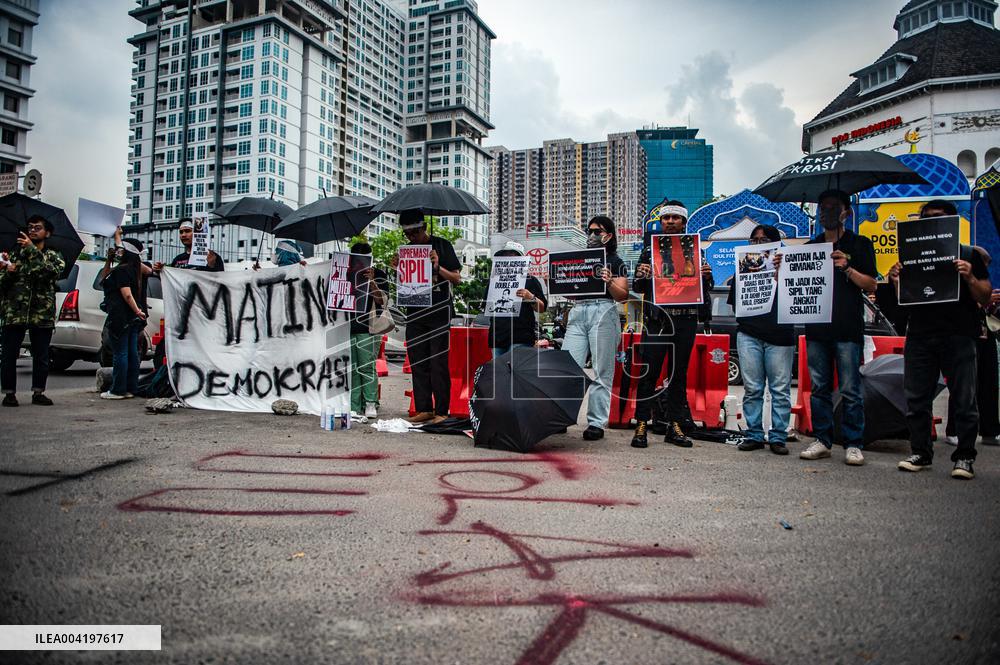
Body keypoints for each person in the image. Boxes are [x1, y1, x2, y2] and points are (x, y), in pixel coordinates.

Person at [893, 200, 992, 479]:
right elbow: (903, 301)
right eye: (927, 217)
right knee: (916, 399)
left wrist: (970, 276)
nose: (932, 220)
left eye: (939, 217)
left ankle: (964, 457)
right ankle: (921, 453)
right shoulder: (911, 254)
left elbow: (985, 296)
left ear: (952, 222)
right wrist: (898, 280)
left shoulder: (968, 254)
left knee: (964, 399)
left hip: (959, 334)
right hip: (921, 334)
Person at [783, 189, 877, 466]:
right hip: (817, 330)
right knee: (820, 387)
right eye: (822, 207)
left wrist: (847, 267)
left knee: (850, 389)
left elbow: (871, 284)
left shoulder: (860, 244)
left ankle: (853, 443)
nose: (826, 212)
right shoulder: (811, 247)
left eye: (833, 207)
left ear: (846, 212)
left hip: (848, 328)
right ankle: (822, 439)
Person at [630, 202, 713, 448]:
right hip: (657, 321)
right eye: (666, 218)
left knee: (678, 374)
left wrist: (707, 276)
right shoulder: (649, 251)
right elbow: (637, 288)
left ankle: (675, 425)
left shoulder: (697, 250)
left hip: (686, 319)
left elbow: (705, 286)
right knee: (649, 372)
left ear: (684, 222)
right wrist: (641, 275)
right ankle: (642, 423)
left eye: (675, 217)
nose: (669, 221)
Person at [727, 224, 795, 455]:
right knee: (753, 388)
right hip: (749, 334)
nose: (758, 244)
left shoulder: (788, 267)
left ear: (775, 243)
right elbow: (736, 304)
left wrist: (779, 274)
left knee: (780, 389)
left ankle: (778, 436)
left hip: (780, 336)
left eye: (764, 239)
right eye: (754, 240)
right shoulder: (743, 268)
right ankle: (754, 433)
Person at [562, 215, 630, 441]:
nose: (591, 235)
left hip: (603, 309)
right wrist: (561, 281)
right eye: (588, 230)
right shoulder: (579, 259)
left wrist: (609, 281)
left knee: (602, 370)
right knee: (567, 367)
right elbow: (569, 290)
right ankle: (561, 416)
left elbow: (623, 296)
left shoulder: (616, 260)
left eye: (597, 231)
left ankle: (595, 423)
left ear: (608, 235)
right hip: (579, 309)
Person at [392, 210, 462, 425]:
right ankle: (424, 407)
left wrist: (437, 266)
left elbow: (457, 279)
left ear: (424, 228)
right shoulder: (407, 250)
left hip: (439, 310)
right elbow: (402, 283)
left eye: (414, 232)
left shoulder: (442, 245)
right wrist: (396, 268)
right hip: (415, 310)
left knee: (438, 362)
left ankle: (442, 409)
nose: (411, 237)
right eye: (407, 234)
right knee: (417, 361)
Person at [0, 216, 66, 406]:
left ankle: (38, 392)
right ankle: (9, 393)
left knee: (41, 355)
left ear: (48, 233)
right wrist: (6, 271)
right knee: (9, 354)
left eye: (38, 228)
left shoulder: (54, 255)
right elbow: (2, 284)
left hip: (41, 312)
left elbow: (50, 273)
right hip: (15, 311)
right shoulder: (14, 254)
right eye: (30, 227)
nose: (32, 231)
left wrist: (30, 250)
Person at [99, 239, 149, 400]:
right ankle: (131, 387)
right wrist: (109, 260)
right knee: (132, 353)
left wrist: (137, 310)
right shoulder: (135, 269)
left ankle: (118, 389)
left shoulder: (122, 270)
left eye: (121, 249)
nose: (118, 251)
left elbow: (126, 293)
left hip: (121, 317)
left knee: (120, 353)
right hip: (133, 318)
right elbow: (104, 276)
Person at [349, 241, 388, 420]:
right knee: (352, 368)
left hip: (368, 327)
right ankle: (354, 404)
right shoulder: (345, 274)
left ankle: (371, 403)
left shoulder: (379, 274)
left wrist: (372, 281)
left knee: (366, 365)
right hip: (347, 326)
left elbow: (382, 301)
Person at [488, 241, 547, 358]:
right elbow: (487, 305)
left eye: (513, 254)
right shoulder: (494, 280)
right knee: (499, 373)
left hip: (521, 337)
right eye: (506, 255)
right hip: (497, 336)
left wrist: (531, 297)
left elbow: (542, 308)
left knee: (516, 373)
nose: (509, 257)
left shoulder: (531, 280)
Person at [152, 218, 225, 273]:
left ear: (197, 233)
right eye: (181, 232)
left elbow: (218, 282)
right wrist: (162, 271)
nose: (183, 235)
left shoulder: (212, 257)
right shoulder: (177, 259)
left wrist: (211, 266)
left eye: (187, 231)